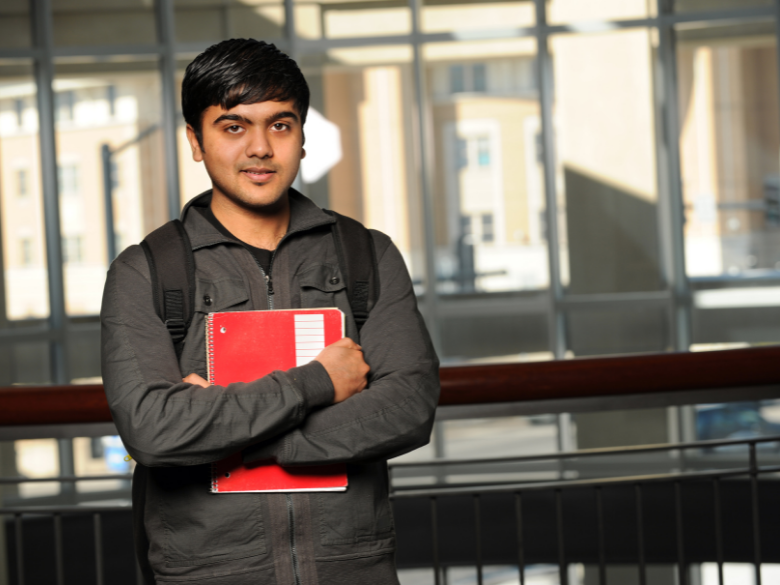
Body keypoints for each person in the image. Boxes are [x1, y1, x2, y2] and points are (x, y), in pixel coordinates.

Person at [100, 38, 440, 585]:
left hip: (353, 569)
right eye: (233, 126)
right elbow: (153, 431)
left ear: (303, 138)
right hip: (210, 573)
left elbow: (409, 405)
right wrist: (317, 384)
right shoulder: (146, 272)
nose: (260, 147)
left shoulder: (366, 255)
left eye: (280, 125)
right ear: (195, 140)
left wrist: (228, 438)